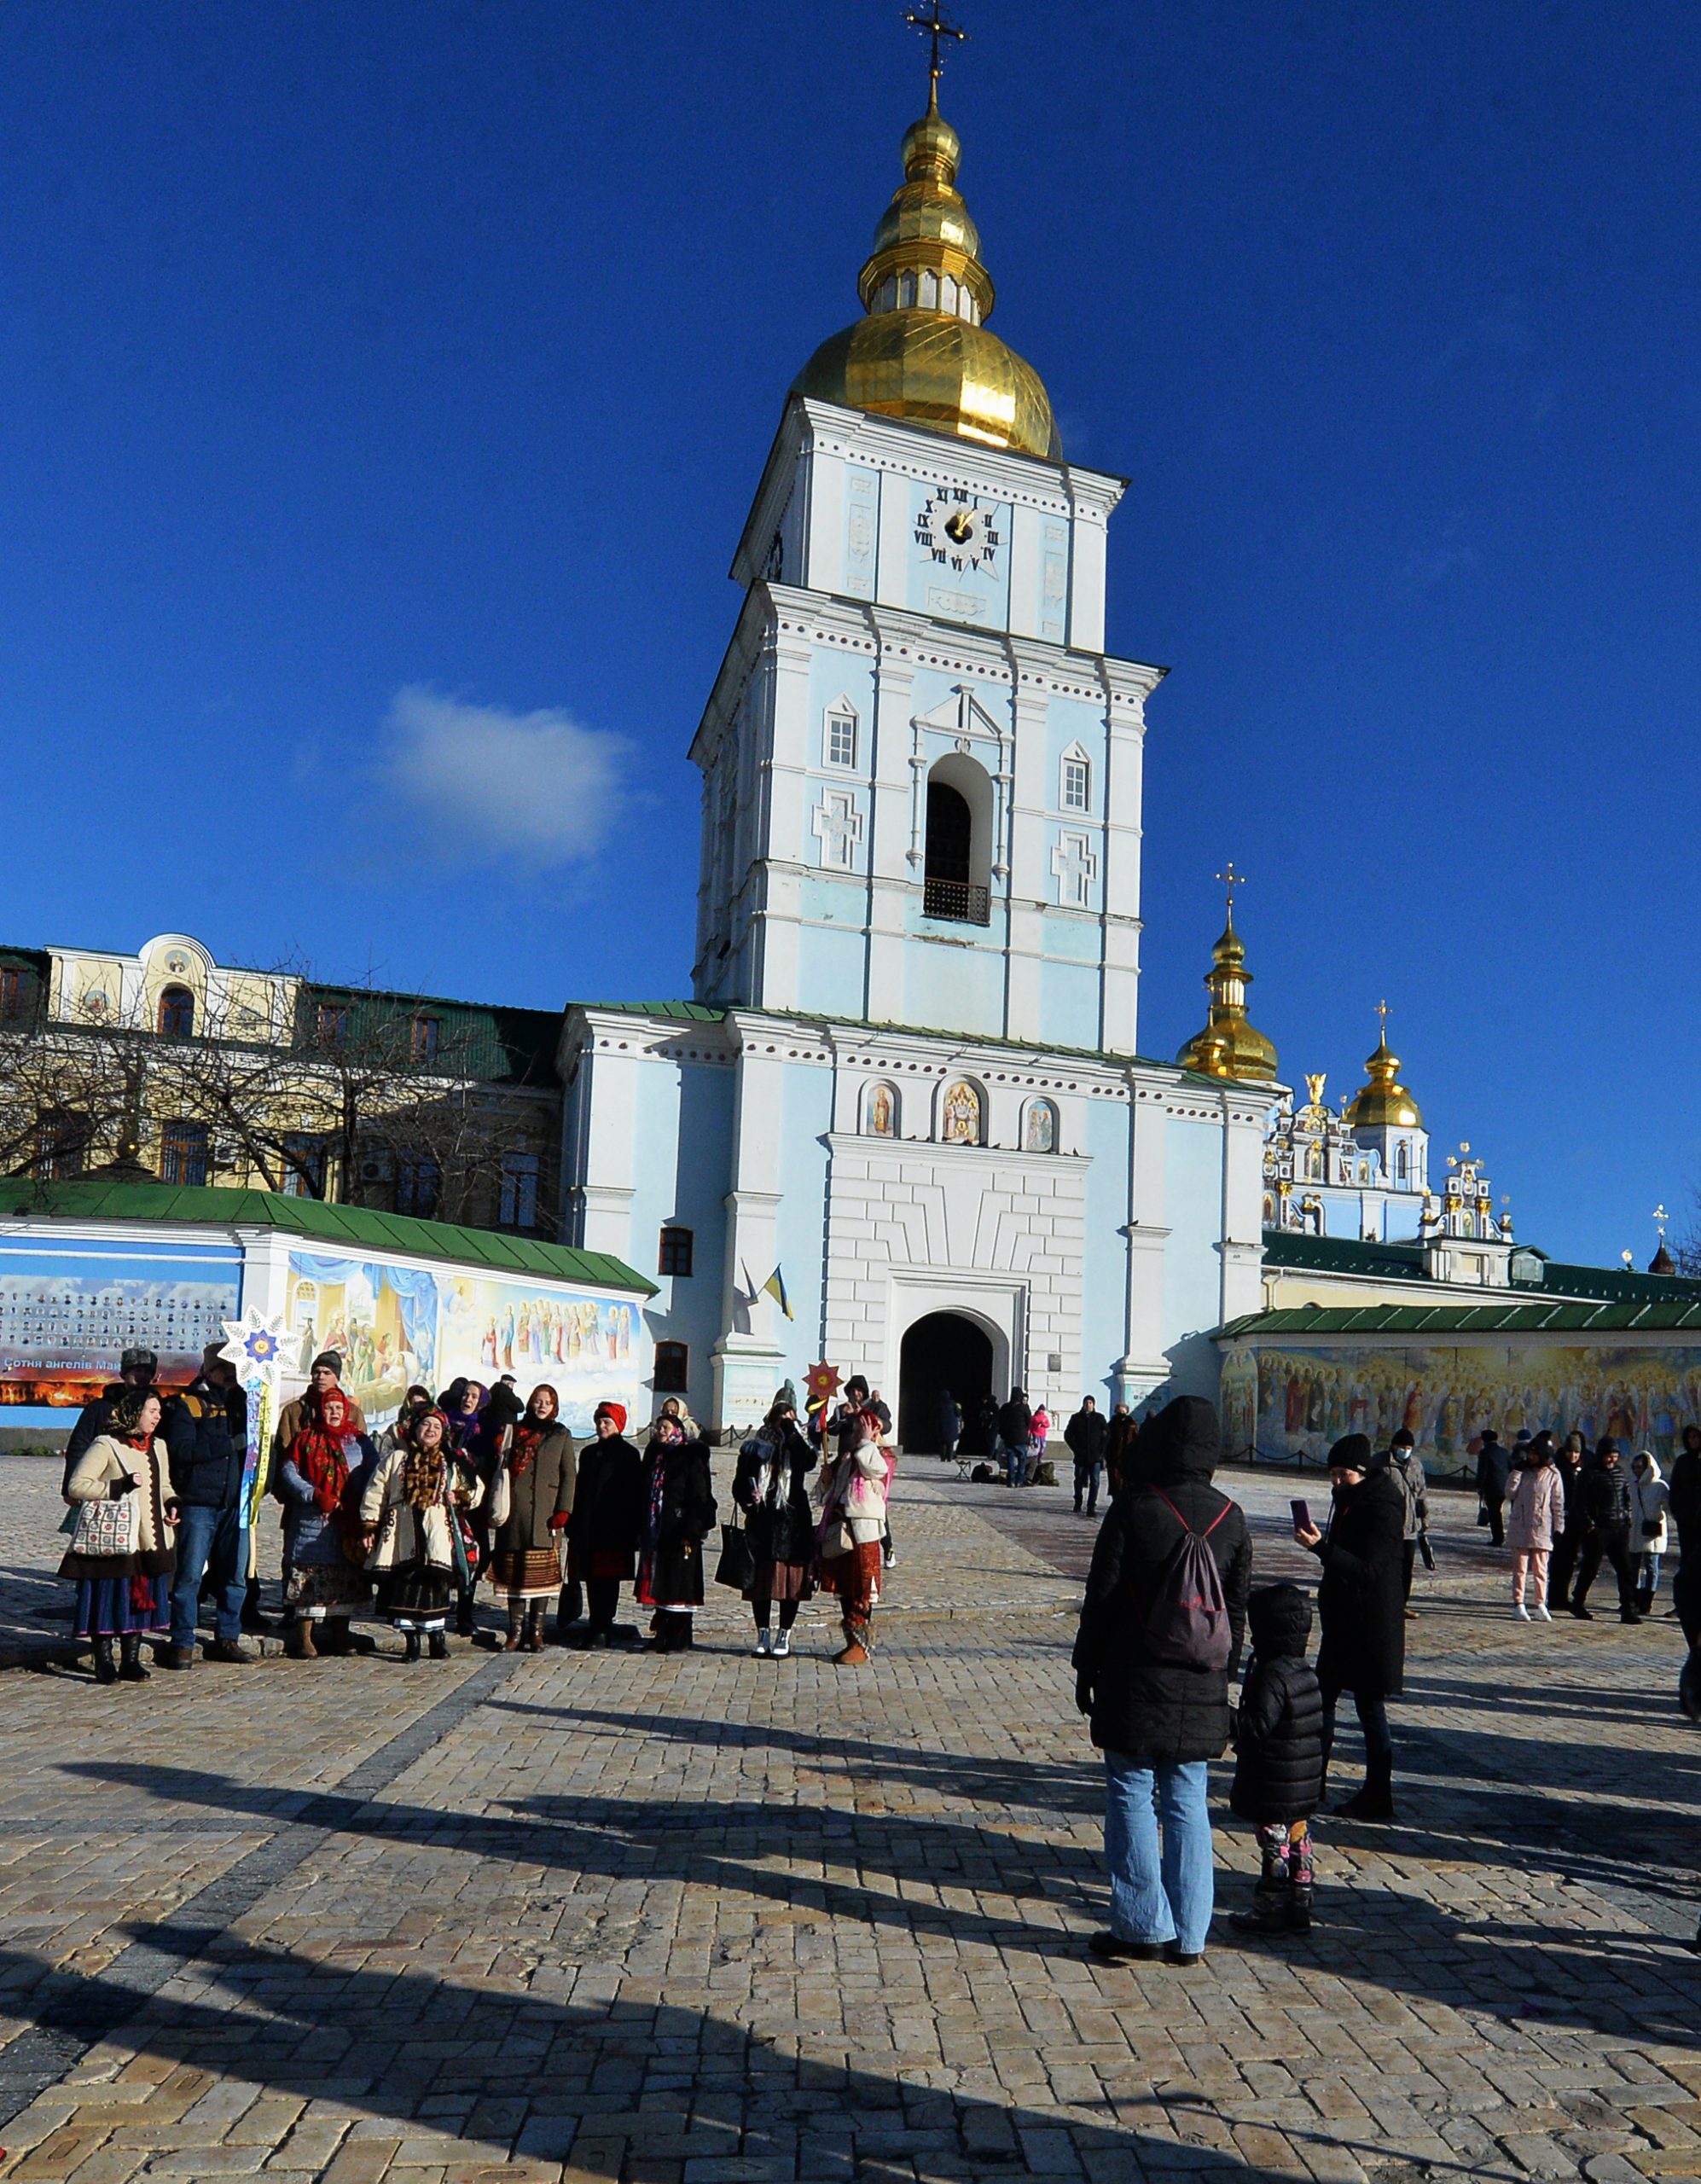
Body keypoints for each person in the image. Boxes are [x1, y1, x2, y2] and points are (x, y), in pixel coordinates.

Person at [1073, 1395, 1251, 1966]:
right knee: (1188, 1799)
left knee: (1129, 1790)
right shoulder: (1232, 1516)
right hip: (1203, 1677)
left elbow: (1101, 1595)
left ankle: (1141, 1925)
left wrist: (1086, 1666)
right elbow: (1237, 1612)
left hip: (1133, 1671)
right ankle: (1193, 1934)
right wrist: (1227, 1680)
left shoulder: (1135, 1506)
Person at [1296, 1432, 1405, 1821]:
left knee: (1369, 1708)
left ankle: (1379, 1793)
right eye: (1332, 1474)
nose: (1336, 1481)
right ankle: (1312, 1782)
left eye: (1344, 1475)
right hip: (1342, 1623)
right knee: (1321, 1701)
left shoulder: (1382, 1508)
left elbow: (1368, 1570)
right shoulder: (1347, 1502)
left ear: (1362, 1472)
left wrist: (1321, 1548)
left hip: (1370, 1626)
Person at [61, 1388, 178, 1684]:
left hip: (148, 1540)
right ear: (135, 1413)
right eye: (152, 1411)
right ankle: (104, 1662)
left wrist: (173, 1502)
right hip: (114, 1540)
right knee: (107, 1601)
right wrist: (115, 1487)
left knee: (138, 1601)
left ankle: (131, 1661)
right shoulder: (106, 1445)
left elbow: (164, 1485)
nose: (158, 1416)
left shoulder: (159, 1446)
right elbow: (77, 1485)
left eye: (159, 1412)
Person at [1228, 1582, 1325, 1937]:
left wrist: (1227, 1718)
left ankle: (1269, 1908)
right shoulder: (1305, 1672)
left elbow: (1258, 1725)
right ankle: (1301, 1905)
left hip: (1272, 1780)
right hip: (1303, 1782)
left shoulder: (1272, 1675)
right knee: (1299, 1839)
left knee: (1275, 1845)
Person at [362, 1406, 481, 1659]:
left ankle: (437, 1639)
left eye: (436, 1427)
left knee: (435, 1588)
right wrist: (370, 1524)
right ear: (415, 1429)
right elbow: (376, 1492)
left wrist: (459, 1496)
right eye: (426, 1425)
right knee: (404, 1589)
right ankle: (412, 1642)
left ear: (443, 1434)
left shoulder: (451, 1462)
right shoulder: (396, 1459)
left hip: (437, 1535)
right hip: (401, 1533)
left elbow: (476, 1488)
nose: (430, 1430)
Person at [160, 1354, 254, 1669]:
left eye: (234, 1369)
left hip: (235, 1503)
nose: (230, 1374)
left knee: (235, 1577)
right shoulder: (188, 1405)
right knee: (189, 1576)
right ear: (208, 1370)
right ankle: (183, 1640)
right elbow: (182, 1451)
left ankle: (227, 1637)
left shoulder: (247, 1404)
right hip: (199, 1502)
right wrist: (229, 1445)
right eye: (223, 1368)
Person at [277, 1385, 374, 1658]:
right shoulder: (306, 1439)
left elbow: (373, 1473)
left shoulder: (359, 1442)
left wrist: (362, 1500)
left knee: (344, 1580)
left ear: (346, 1412)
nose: (333, 1413)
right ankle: (304, 1637)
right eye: (329, 1408)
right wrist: (313, 1494)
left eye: (338, 1409)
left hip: (348, 1519)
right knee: (310, 1579)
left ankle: (341, 1635)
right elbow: (289, 1472)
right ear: (322, 1409)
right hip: (313, 1520)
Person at [487, 1384, 576, 1652]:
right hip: (515, 1515)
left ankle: (536, 1632)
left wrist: (564, 1510)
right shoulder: (513, 1431)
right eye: (537, 1401)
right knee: (515, 1578)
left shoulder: (561, 1434)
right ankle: (515, 1632)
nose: (541, 1406)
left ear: (554, 1406)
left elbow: (569, 1475)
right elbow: (498, 1469)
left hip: (546, 1517)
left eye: (547, 1402)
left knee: (542, 1579)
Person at [734, 1397, 819, 1657]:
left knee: (790, 1584)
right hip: (762, 1523)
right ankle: (763, 1633)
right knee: (761, 1583)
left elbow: (808, 1462)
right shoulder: (754, 1447)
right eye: (780, 1420)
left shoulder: (799, 1444)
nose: (783, 1424)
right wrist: (750, 1496)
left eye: (789, 1419)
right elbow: (739, 1484)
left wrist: (793, 1433)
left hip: (792, 1524)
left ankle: (784, 1635)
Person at [816, 1404, 891, 1666]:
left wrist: (867, 1443)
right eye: (855, 1428)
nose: (856, 1431)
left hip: (864, 1532)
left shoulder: (878, 1455)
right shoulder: (847, 1458)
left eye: (861, 1427)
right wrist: (826, 1480)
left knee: (862, 1587)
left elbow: (876, 1470)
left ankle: (861, 1645)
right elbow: (828, 1494)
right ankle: (851, 1641)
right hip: (841, 1530)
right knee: (844, 1587)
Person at [635, 1414, 716, 1651]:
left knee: (678, 1584)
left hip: (681, 1528)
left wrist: (692, 1527)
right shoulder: (654, 1455)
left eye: (665, 1427)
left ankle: (678, 1636)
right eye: (658, 1426)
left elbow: (700, 1495)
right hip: (656, 1528)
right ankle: (660, 1633)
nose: (661, 1430)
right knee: (659, 1581)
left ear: (677, 1430)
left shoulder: (691, 1456)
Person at [567, 1403, 646, 1645]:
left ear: (618, 1425)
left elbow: (636, 1494)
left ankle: (604, 1625)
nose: (602, 1426)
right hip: (589, 1527)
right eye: (599, 1422)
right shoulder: (589, 1453)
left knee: (608, 1579)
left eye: (607, 1422)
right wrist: (573, 1522)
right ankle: (595, 1622)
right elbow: (579, 1490)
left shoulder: (629, 1454)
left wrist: (634, 1528)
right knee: (591, 1576)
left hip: (615, 1528)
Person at [63, 1345, 160, 1496]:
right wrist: (69, 1488)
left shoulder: (161, 1410)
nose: (142, 1375)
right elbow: (79, 1446)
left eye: (147, 1372)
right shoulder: (99, 1408)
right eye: (137, 1370)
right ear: (124, 1373)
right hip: (106, 1487)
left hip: (148, 1487)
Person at [1570, 1438, 1640, 1623]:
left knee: (1625, 1569)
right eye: (1609, 1456)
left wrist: (1627, 1518)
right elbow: (1579, 1501)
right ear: (1602, 1455)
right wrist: (1589, 1524)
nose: (1612, 1459)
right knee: (1591, 1567)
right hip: (1598, 1529)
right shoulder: (1590, 1473)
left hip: (1619, 1528)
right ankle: (1578, 1601)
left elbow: (1626, 1497)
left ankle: (1628, 1608)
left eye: (1615, 1456)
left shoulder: (1619, 1473)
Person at [1504, 1432, 1565, 1622]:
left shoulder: (1553, 1475)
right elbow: (1510, 1493)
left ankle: (1540, 1604)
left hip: (1541, 1526)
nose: (1530, 1457)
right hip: (1520, 1525)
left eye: (1534, 1454)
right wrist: (1516, 1472)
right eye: (1529, 1454)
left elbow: (1557, 1503)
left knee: (1541, 1570)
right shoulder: (1523, 1472)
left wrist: (1559, 1527)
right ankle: (1519, 1604)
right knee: (1520, 1569)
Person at [1375, 1429, 1428, 1616]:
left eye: (1408, 1447)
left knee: (1406, 1569)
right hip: (1386, 1526)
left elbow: (1421, 1494)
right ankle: (1381, 1603)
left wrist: (1424, 1519)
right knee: (1385, 1567)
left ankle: (1402, 1605)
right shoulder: (1380, 1463)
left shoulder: (1416, 1465)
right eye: (1402, 1447)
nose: (1405, 1450)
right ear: (1393, 1446)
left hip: (1410, 1527)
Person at [1628, 1449, 1670, 1618]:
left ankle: (1647, 1602)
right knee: (1634, 1567)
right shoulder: (1632, 1485)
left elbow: (1668, 1506)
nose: (1637, 1470)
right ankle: (1635, 1599)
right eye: (1635, 1467)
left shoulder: (1659, 1486)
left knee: (1652, 1567)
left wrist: (1659, 1516)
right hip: (1635, 1531)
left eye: (1640, 1467)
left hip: (1652, 1531)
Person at [1550, 1432, 1590, 1611]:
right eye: (1570, 1452)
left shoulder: (1582, 1469)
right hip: (1560, 1518)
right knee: (1559, 1561)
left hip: (1575, 1521)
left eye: (1576, 1452)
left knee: (1570, 1561)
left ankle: (1563, 1596)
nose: (1573, 1456)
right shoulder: (1558, 1469)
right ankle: (1554, 1596)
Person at [1670, 1424, 1701, 1647]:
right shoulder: (1683, 1461)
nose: (1693, 1441)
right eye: (1690, 1437)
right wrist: (1680, 1512)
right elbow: (1676, 1489)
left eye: (1696, 1437)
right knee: (1687, 1560)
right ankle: (1684, 1604)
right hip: (1687, 1520)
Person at [1066, 1397, 1109, 1519]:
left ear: (1094, 1404)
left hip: (1095, 1456)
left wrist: (1102, 1449)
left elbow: (1107, 1434)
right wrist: (1075, 1448)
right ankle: (1078, 1501)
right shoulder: (1076, 1418)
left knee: (1095, 1481)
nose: (1088, 1405)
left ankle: (1091, 1507)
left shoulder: (1099, 1418)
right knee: (1078, 1479)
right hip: (1081, 1455)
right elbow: (1068, 1434)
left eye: (1090, 1403)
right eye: (1086, 1402)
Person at [1476, 1428, 1512, 1548]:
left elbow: (1483, 1471)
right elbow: (1510, 1468)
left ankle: (1498, 1538)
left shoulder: (1485, 1452)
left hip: (1492, 1487)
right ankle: (1499, 1536)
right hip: (1504, 1485)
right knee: (1497, 1511)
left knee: (1494, 1513)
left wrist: (1479, 1486)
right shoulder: (1504, 1451)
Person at [996, 1388, 1033, 1489]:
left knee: (1010, 1459)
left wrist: (1002, 1433)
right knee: (1022, 1460)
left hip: (1008, 1438)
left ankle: (1011, 1481)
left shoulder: (1005, 1407)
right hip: (1021, 1438)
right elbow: (1029, 1421)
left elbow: (1000, 1421)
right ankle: (1019, 1481)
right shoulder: (1024, 1408)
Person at [1104, 1406, 1139, 1500]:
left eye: (1123, 1411)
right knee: (1115, 1483)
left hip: (1127, 1458)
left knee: (1126, 1484)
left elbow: (1136, 1439)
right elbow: (1107, 1440)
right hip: (1113, 1458)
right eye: (1119, 1411)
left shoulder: (1132, 1424)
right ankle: (1116, 1502)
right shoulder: (1111, 1424)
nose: (1121, 1414)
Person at [1024, 1402, 1052, 1487]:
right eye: (1041, 1410)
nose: (1042, 1412)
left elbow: (1048, 1425)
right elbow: (1031, 1426)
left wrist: (1043, 1424)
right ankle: (1036, 1459)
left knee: (1043, 1447)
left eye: (1043, 1410)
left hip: (1042, 1434)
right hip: (1036, 1434)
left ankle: (1039, 1458)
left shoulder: (1045, 1417)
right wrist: (1029, 1432)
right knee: (1037, 1447)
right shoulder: (1034, 1417)